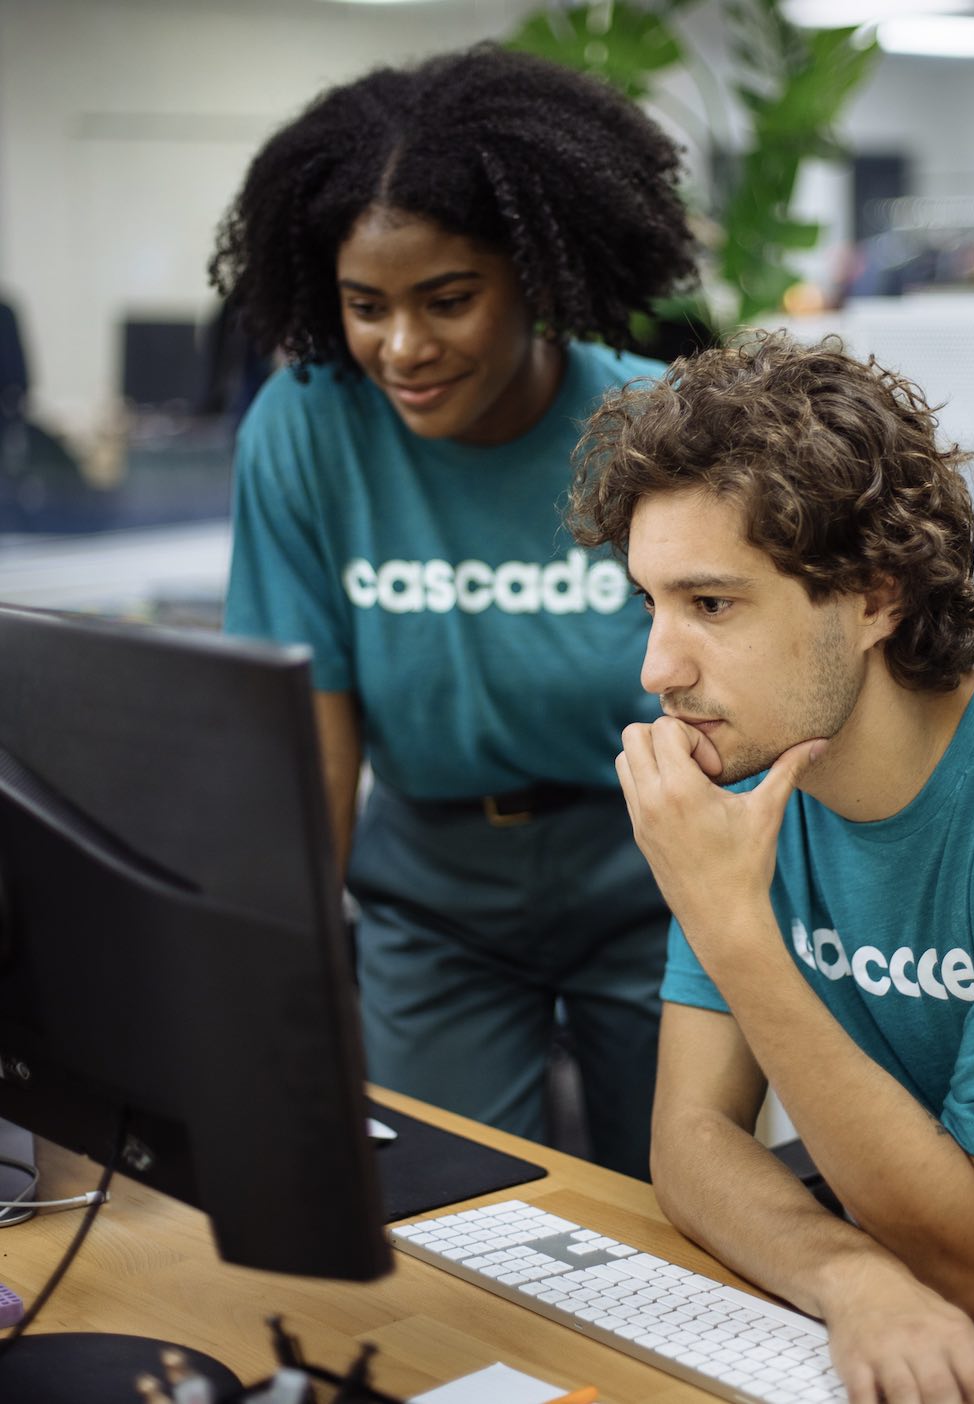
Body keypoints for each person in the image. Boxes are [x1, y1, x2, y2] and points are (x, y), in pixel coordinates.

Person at [567, 331, 974, 1399]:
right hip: (906, 1306)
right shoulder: (750, 763)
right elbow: (688, 1140)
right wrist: (853, 1281)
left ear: (876, 598)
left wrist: (730, 923)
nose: (657, 668)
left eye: (711, 604)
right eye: (651, 603)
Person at [210, 44, 697, 1179]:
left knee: (680, 1201)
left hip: (653, 873)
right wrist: (286, 972)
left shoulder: (651, 427)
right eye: (364, 306)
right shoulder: (306, 426)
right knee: (445, 1209)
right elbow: (307, 727)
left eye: (448, 300)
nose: (403, 348)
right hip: (431, 895)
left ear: (537, 276)